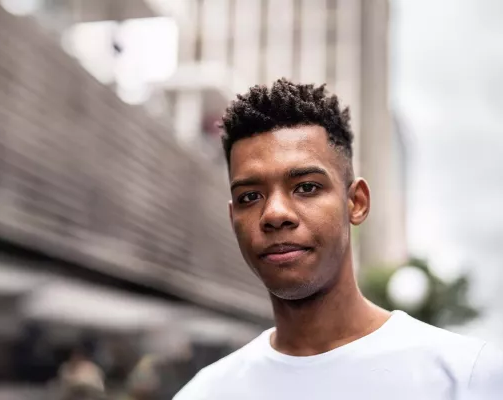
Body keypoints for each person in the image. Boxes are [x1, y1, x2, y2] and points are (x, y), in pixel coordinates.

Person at [174, 79, 503, 400]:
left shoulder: (468, 378)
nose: (273, 214)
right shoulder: (206, 392)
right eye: (250, 197)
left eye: (306, 187)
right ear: (233, 219)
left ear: (356, 203)